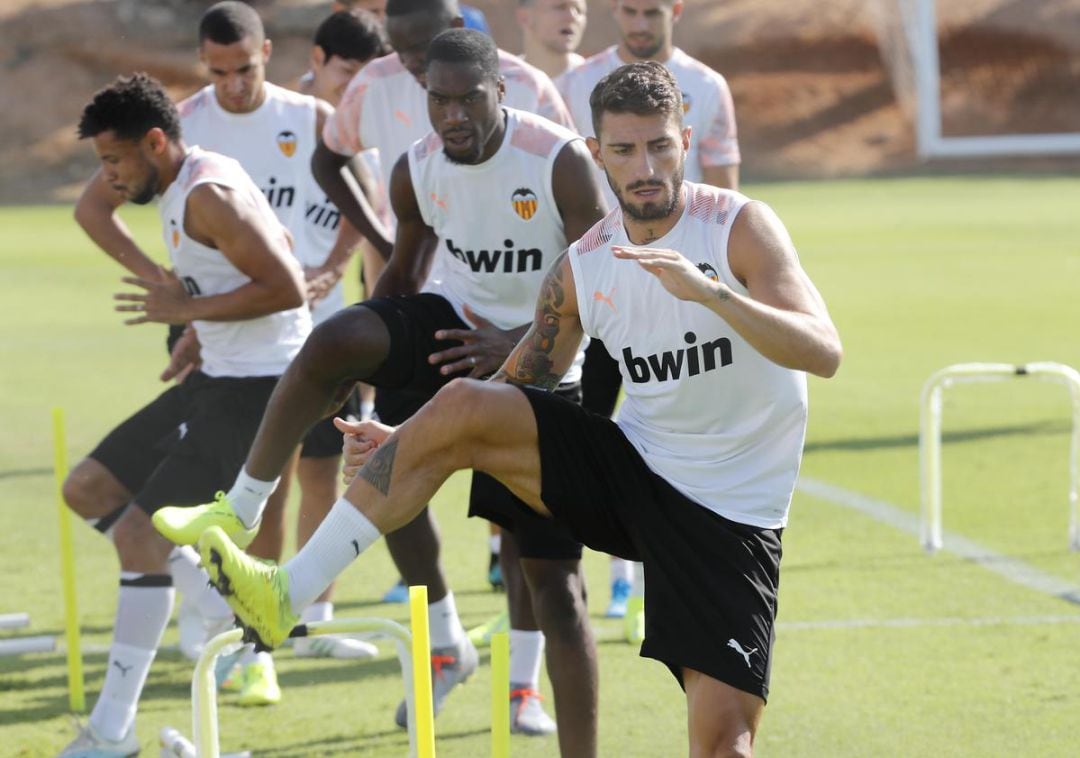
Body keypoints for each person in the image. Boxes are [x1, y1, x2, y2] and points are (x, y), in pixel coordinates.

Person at [193, 60, 842, 756]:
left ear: (685, 140)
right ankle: (289, 590)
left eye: (660, 145)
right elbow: (519, 383)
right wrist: (408, 435)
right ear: (598, 156)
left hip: (730, 517)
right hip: (635, 475)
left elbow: (822, 350)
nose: (645, 165)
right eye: (624, 150)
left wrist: (711, 293)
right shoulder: (584, 266)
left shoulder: (738, 227)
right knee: (468, 402)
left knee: (723, 747)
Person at [158, 29, 606, 748]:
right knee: (337, 341)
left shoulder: (560, 163)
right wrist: (357, 369)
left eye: (469, 99)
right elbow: (403, 271)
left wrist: (518, 342)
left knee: (555, 587)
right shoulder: (416, 166)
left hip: (551, 360)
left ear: (502, 92)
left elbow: (601, 290)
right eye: (438, 100)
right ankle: (238, 510)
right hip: (453, 335)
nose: (453, 115)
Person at [309, 0, 575, 694]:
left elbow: (584, 239)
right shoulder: (384, 102)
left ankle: (522, 686)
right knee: (384, 466)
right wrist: (376, 273)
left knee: (526, 532)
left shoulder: (542, 120)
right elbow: (333, 163)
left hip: (539, 342)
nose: (413, 63)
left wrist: (526, 338)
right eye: (407, 58)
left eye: (423, 47)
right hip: (441, 323)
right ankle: (447, 639)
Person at [59, 72, 310, 757]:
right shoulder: (176, 185)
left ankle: (112, 731)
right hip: (216, 375)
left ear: (156, 142)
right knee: (88, 487)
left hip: (259, 391)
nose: (109, 177)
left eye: (114, 161)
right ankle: (212, 598)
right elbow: (258, 261)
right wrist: (190, 314)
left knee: (140, 538)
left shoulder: (208, 195)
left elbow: (286, 288)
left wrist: (184, 311)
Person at [560, 0, 744, 625]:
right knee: (599, 427)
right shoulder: (577, 84)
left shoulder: (707, 86)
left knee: (674, 421)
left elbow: (727, 185)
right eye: (631, 11)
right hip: (606, 289)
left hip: (690, 290)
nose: (640, 23)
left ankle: (655, 570)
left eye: (652, 11)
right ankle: (613, 575)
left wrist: (721, 276)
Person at [517, 0, 587, 80]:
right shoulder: (505, 82)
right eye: (560, 7)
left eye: (579, 10)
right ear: (525, 17)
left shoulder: (594, 83)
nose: (572, 17)